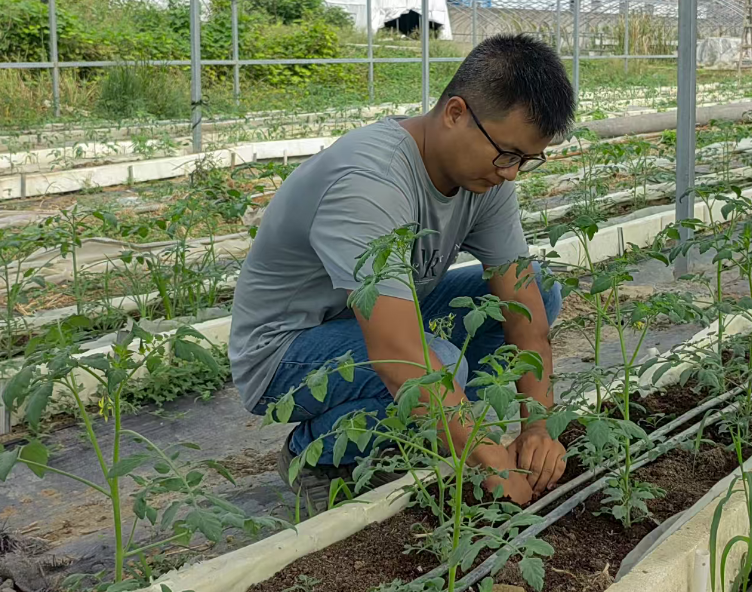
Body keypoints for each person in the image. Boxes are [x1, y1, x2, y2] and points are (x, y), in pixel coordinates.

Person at [229, 33, 575, 513]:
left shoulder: (487, 178)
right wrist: (489, 460)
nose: (511, 173)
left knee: (542, 290)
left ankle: (430, 428)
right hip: (285, 350)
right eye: (507, 153)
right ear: (456, 112)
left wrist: (537, 428)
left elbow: (524, 314)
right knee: (436, 362)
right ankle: (316, 454)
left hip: (371, 322)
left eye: (525, 160)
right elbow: (400, 357)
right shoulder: (369, 182)